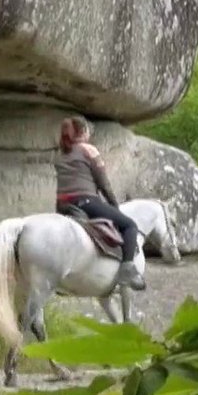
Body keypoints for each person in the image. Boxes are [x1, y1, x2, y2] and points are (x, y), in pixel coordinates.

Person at [53, 116, 146, 291]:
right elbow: (103, 183)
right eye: (88, 131)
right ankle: (127, 269)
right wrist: (115, 207)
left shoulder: (60, 154)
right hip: (86, 201)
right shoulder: (88, 150)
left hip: (63, 205)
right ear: (83, 132)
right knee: (129, 225)